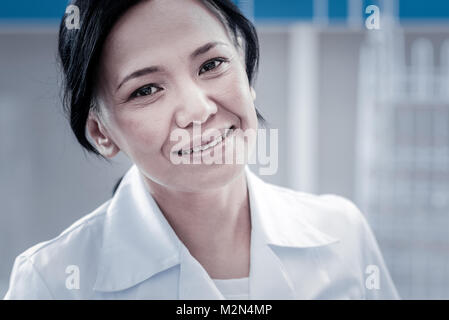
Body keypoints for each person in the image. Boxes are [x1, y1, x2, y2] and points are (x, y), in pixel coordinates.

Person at [4, 0, 400, 299]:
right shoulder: (51, 282)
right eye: (146, 90)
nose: (197, 109)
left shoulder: (342, 234)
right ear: (101, 132)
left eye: (211, 65)